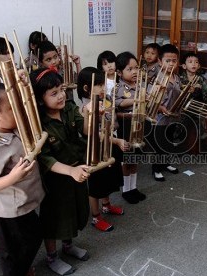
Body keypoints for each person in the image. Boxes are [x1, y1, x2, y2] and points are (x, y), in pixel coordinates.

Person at [0, 81, 44, 276]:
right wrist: (13, 176)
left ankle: (24, 266)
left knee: (32, 238)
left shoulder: (11, 127)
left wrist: (21, 84)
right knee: (11, 253)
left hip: (24, 203)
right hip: (8, 212)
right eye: (13, 107)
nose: (20, 110)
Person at [30, 67, 90, 275]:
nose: (61, 95)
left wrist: (92, 115)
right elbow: (45, 158)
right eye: (53, 93)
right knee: (54, 217)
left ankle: (68, 245)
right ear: (40, 98)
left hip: (77, 169)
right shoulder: (38, 123)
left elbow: (85, 128)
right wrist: (70, 171)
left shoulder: (69, 108)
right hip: (55, 178)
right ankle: (51, 257)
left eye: (61, 89)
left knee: (72, 212)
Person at [77, 66, 126, 231]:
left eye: (104, 84)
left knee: (106, 180)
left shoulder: (101, 101)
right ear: (87, 88)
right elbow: (95, 134)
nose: (104, 88)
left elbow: (108, 124)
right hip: (93, 153)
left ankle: (106, 205)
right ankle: (96, 217)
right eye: (100, 85)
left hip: (106, 147)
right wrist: (117, 140)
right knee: (95, 186)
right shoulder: (85, 107)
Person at [114, 52, 147, 203]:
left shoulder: (140, 84)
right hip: (126, 127)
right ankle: (126, 190)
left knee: (135, 158)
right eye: (130, 69)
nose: (134, 71)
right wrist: (137, 99)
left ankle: (133, 187)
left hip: (139, 125)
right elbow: (119, 104)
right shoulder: (118, 87)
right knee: (126, 160)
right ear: (120, 72)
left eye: (136, 68)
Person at [147, 44, 180, 182]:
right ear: (160, 61)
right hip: (159, 118)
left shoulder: (176, 77)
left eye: (174, 61)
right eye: (168, 61)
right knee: (159, 144)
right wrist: (160, 108)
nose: (171, 63)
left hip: (172, 117)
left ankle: (165, 163)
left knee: (168, 141)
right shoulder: (156, 78)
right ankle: (156, 169)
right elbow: (150, 99)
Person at [179, 52, 207, 140]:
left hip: (198, 106)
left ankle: (201, 142)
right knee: (181, 127)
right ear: (184, 66)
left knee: (201, 126)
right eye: (190, 62)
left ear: (198, 66)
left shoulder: (201, 79)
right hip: (184, 107)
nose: (193, 64)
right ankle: (178, 142)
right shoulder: (180, 78)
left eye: (196, 62)